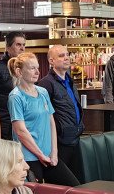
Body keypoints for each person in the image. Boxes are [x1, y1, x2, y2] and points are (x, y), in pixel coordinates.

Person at [9, 51, 80, 186]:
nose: (37, 72)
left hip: (48, 155)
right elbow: (21, 131)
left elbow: (51, 121)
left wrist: (54, 152)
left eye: (37, 68)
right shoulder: (16, 96)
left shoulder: (42, 92)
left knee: (74, 187)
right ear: (19, 72)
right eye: (32, 68)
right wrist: (40, 155)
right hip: (29, 157)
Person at [38, 44, 84, 179]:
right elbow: (45, 116)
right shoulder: (46, 83)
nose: (66, 58)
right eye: (61, 55)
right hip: (59, 142)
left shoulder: (69, 80)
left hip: (75, 138)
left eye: (67, 55)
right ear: (51, 61)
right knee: (61, 183)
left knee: (79, 182)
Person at [0, 31, 26, 139]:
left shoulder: (26, 68)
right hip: (4, 125)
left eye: (23, 45)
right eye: (18, 45)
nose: (22, 48)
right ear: (8, 47)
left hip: (23, 122)